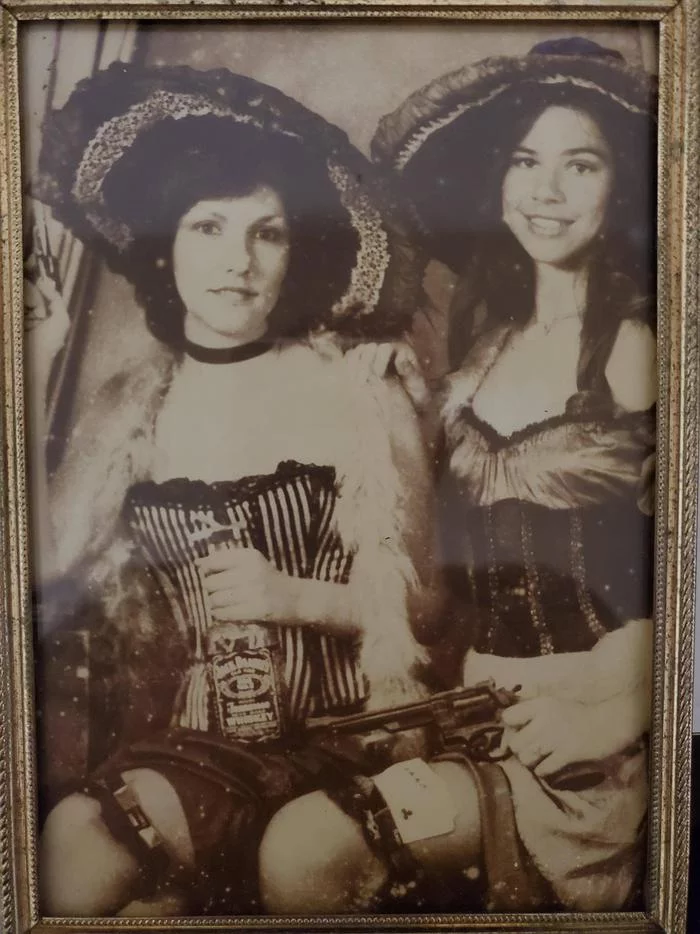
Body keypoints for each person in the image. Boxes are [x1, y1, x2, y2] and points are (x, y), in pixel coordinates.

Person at [28, 63, 438, 917]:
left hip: (349, 736)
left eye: (268, 233)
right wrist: (34, 365)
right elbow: (42, 580)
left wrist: (292, 595)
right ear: (164, 246)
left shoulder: (362, 389)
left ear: (298, 251)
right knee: (72, 851)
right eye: (208, 227)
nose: (238, 262)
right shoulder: (131, 407)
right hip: (204, 744)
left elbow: (428, 606)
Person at [258, 39, 656, 914]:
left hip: (606, 735)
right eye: (526, 162)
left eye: (578, 165)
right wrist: (395, 415)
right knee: (294, 835)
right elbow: (431, 583)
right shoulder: (479, 361)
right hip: (480, 700)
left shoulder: (638, 352)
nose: (545, 191)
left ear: (619, 185)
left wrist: (609, 715)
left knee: (305, 855)